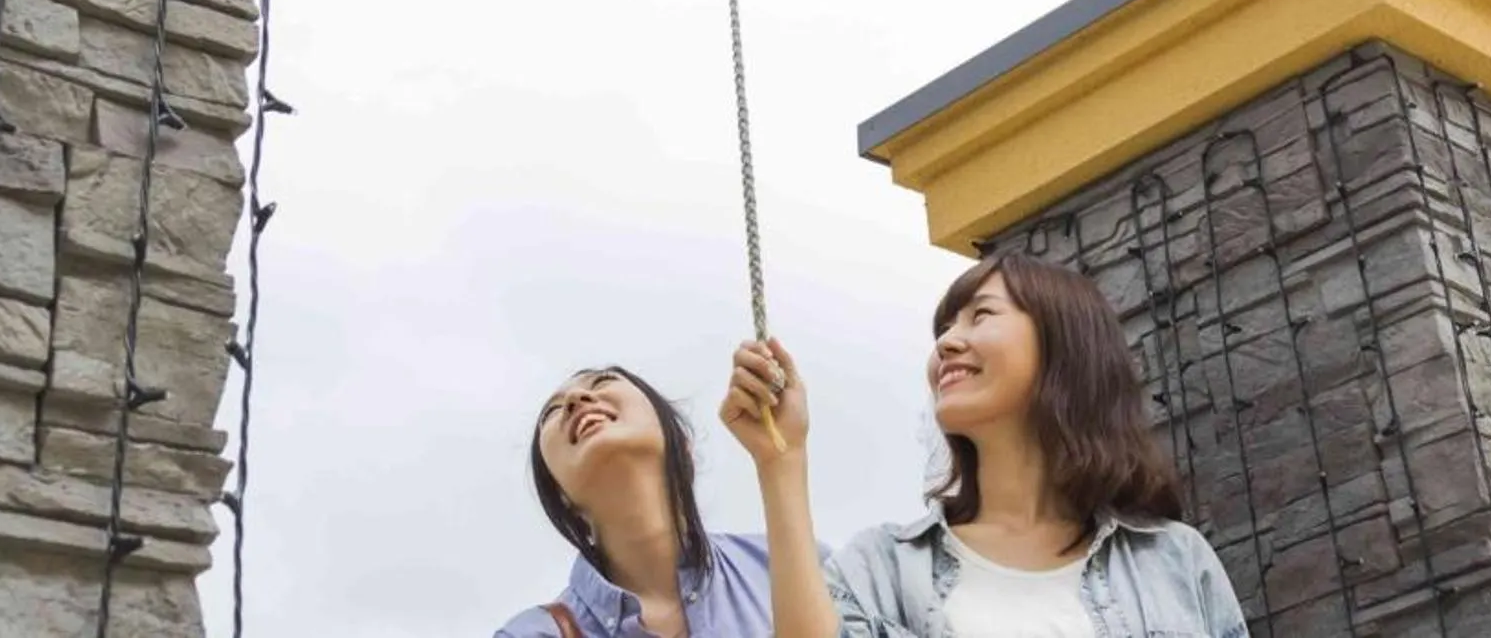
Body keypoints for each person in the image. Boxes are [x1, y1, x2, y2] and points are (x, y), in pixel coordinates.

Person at [722, 253, 1251, 638]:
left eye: (982, 316)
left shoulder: (1173, 560)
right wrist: (781, 461)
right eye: (945, 326)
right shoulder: (884, 567)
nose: (947, 342)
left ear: (1063, 347)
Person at [495, 366, 781, 638]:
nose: (575, 399)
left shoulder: (785, 569)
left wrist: (782, 461)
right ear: (560, 494)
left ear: (681, 442)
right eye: (552, 412)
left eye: (602, 381)